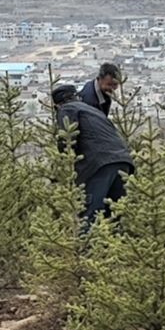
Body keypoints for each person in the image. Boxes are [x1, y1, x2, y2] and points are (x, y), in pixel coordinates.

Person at [52, 81, 136, 231]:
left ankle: (87, 244)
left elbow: (68, 139)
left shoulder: (67, 109)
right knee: (115, 214)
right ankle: (118, 243)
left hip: (99, 164)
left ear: (57, 105)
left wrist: (62, 167)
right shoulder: (93, 110)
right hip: (123, 161)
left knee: (90, 214)